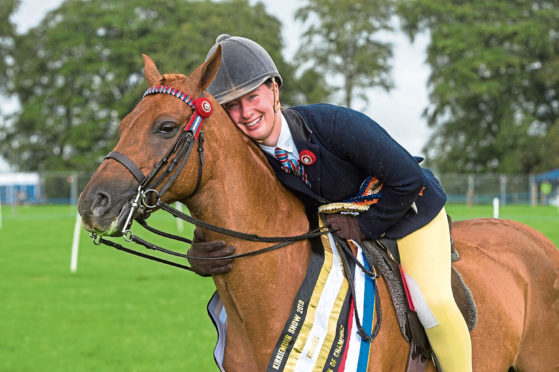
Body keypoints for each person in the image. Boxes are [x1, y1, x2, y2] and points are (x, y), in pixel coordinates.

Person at [188, 34, 472, 372]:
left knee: (434, 304)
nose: (246, 113)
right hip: (341, 230)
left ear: (275, 90)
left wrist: (364, 226)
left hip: (410, 213)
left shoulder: (334, 124)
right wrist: (202, 248)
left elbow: (408, 179)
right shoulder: (252, 164)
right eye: (231, 106)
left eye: (252, 97)